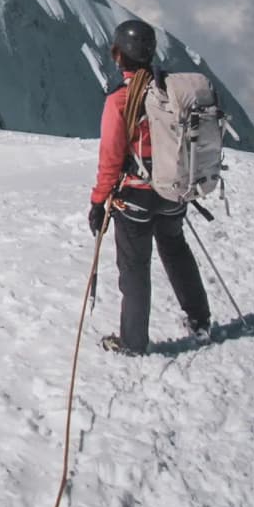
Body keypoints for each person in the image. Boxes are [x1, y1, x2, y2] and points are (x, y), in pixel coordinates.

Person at [88, 19, 211, 355]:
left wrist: (98, 201)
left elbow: (111, 157)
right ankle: (200, 319)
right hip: (173, 190)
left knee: (134, 267)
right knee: (176, 252)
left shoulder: (121, 99)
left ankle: (133, 342)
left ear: (118, 54)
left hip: (135, 197)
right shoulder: (170, 91)